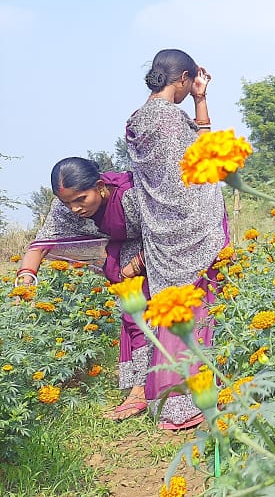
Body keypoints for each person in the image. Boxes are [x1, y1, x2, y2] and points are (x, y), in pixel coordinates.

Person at [126, 48, 228, 431]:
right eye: (192, 85)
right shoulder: (171, 120)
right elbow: (204, 159)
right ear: (183, 77)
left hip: (159, 231)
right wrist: (201, 101)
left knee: (172, 312)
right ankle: (190, 400)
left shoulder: (136, 121)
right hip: (194, 224)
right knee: (198, 309)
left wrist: (200, 101)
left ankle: (170, 401)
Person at [15, 157, 150, 420]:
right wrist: (26, 278)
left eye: (81, 200)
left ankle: (148, 389)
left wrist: (138, 264)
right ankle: (142, 388)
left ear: (100, 186)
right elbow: (42, 242)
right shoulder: (65, 209)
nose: (74, 209)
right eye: (67, 203)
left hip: (159, 254)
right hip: (124, 260)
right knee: (135, 319)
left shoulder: (131, 195)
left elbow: (167, 231)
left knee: (154, 317)